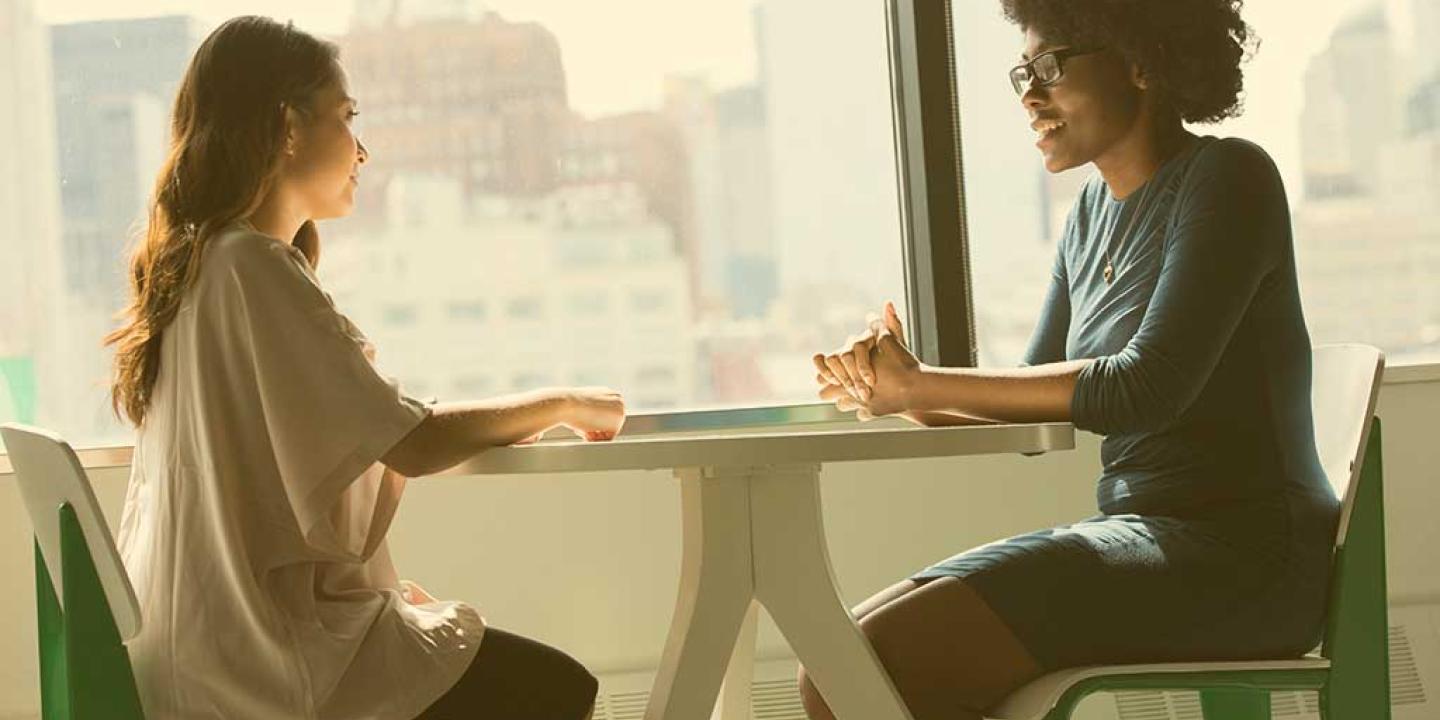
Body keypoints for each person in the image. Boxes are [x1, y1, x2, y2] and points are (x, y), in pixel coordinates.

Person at [805, 1, 1339, 719]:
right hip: (1139, 537)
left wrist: (923, 382)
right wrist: (900, 393)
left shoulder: (1230, 178)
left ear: (1141, 59)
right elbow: (1032, 417)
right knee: (835, 676)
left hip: (1243, 561)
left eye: (1051, 65)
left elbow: (1146, 388)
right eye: (1023, 70)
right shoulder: (1088, 216)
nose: (1030, 93)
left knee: (868, 681)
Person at [105, 16, 622, 720]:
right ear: (288, 127)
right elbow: (411, 440)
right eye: (346, 118)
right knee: (560, 689)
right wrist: (562, 402)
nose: (364, 150)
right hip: (258, 661)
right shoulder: (251, 267)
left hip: (197, 648)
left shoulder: (201, 267)